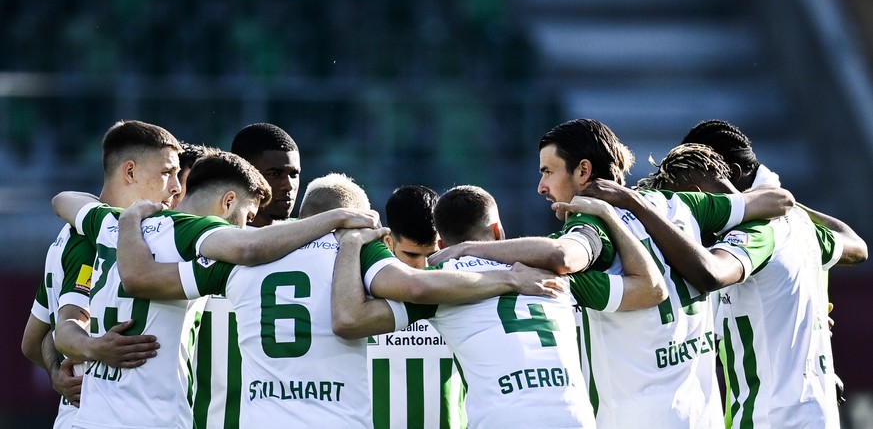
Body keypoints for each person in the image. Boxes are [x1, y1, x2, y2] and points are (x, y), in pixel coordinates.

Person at [112, 173, 560, 428]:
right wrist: (507, 278)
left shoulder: (241, 256)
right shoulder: (364, 253)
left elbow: (142, 278)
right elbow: (418, 285)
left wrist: (132, 220)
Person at [429, 119, 795, 428]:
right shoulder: (675, 204)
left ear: (584, 171)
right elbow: (779, 201)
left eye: (547, 172)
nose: (541, 186)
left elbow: (562, 256)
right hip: (702, 415)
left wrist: (471, 248)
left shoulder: (593, 226)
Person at [50, 153, 380, 429]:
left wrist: (86, 350)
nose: (245, 228)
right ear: (228, 201)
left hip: (88, 417)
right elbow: (250, 249)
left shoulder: (111, 224)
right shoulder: (200, 234)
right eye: (248, 216)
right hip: (151, 416)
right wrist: (336, 219)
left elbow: (63, 199)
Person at [333, 183, 669, 428]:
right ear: (498, 229)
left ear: (442, 242)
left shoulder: (442, 286)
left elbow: (351, 319)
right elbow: (652, 288)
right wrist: (611, 217)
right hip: (573, 417)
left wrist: (352, 245)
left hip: (501, 418)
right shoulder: (549, 274)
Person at [633, 142, 867, 428]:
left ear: (696, 196)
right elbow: (856, 247)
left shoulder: (751, 233)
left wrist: (639, 207)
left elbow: (711, 274)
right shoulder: (797, 226)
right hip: (812, 412)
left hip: (770, 417)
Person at [20, 120, 175, 428]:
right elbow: (69, 323)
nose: (175, 187)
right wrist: (95, 348)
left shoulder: (68, 235)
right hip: (102, 416)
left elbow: (31, 341)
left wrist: (55, 372)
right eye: (166, 172)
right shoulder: (97, 239)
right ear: (130, 172)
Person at [192, 123, 300, 429]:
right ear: (247, 174)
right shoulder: (199, 243)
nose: (288, 186)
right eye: (275, 174)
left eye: (293, 174)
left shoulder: (309, 248)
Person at [369, 184, 465, 429]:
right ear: (388, 241)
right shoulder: (357, 290)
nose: (423, 268)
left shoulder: (464, 289)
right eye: (411, 255)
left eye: (431, 254)